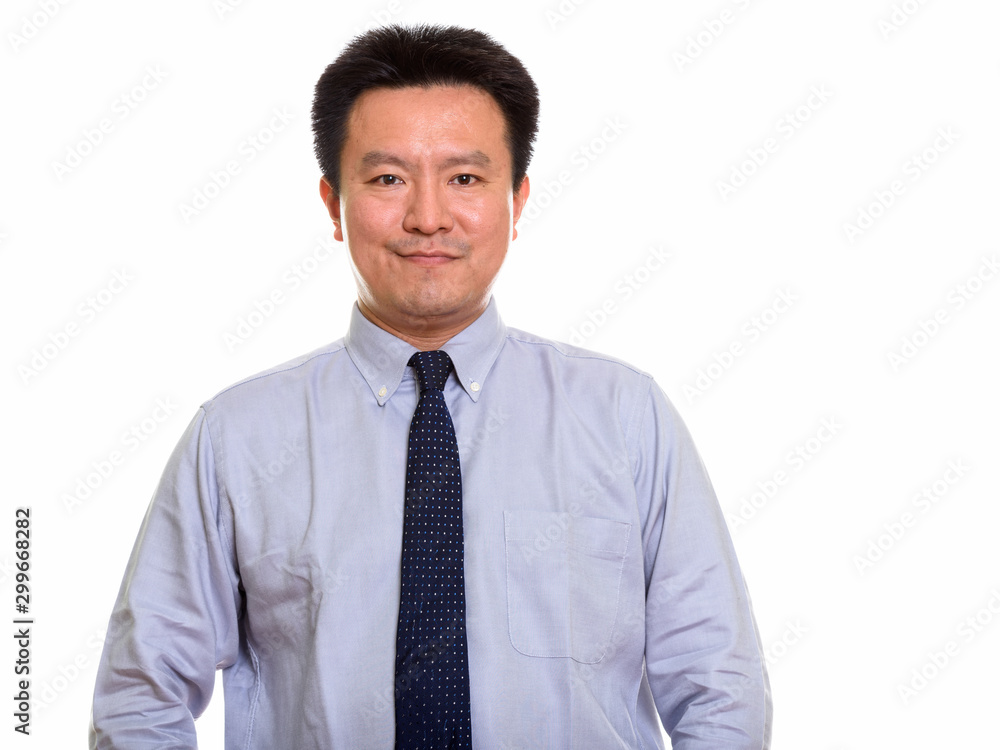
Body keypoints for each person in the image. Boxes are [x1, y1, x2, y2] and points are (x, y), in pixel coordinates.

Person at [89, 24, 772, 749]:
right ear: (332, 202)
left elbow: (719, 688)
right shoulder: (238, 438)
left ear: (518, 199)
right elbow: (141, 697)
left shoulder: (625, 417)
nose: (427, 217)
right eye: (387, 178)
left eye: (465, 178)